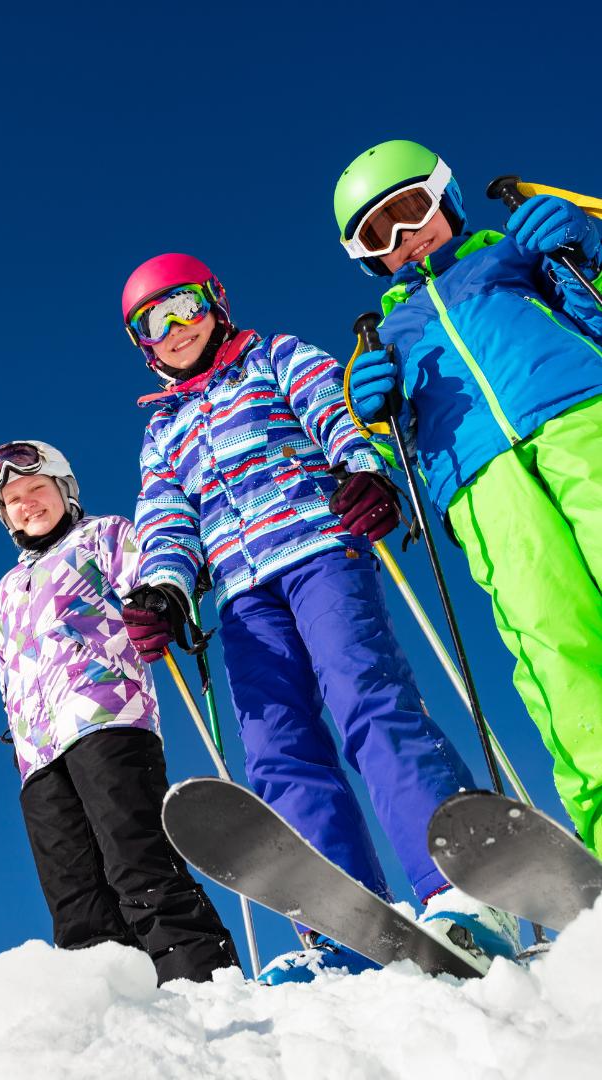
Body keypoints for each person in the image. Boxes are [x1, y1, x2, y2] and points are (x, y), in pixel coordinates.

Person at [118, 254, 519, 982]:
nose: (175, 328)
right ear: (143, 345)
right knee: (276, 750)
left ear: (216, 303)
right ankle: (342, 925)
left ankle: (460, 887)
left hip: (319, 547)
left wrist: (363, 469)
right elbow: (167, 520)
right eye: (155, 322)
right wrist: (164, 590)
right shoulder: (163, 432)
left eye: (185, 306)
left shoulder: (275, 355)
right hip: (241, 594)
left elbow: (334, 411)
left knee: (365, 696)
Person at [334, 139, 602, 854]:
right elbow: (398, 448)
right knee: (551, 637)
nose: (403, 236)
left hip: (582, 418)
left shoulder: (516, 255)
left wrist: (585, 248)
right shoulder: (387, 337)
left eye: (410, 209)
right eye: (377, 235)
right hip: (481, 483)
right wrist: (377, 414)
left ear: (446, 197)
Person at [0, 438, 240, 985]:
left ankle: (200, 982)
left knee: (137, 862)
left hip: (107, 718)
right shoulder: (7, 588)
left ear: (64, 488)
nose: (27, 504)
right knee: (73, 897)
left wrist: (160, 603)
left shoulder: (104, 535)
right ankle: (112, 1004)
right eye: (13, 500)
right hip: (37, 753)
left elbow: (153, 579)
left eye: (36, 488)